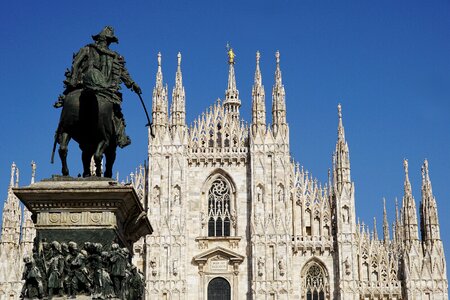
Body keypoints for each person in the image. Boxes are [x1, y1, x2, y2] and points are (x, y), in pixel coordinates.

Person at [54, 26, 141, 148]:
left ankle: (61, 131)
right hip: (105, 89)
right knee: (117, 114)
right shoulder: (114, 56)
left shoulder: (87, 49)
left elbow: (76, 63)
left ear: (99, 39)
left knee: (67, 101)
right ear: (109, 41)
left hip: (83, 84)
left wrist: (73, 80)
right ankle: (121, 137)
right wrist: (133, 85)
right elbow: (123, 74)